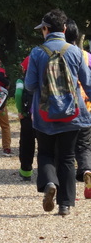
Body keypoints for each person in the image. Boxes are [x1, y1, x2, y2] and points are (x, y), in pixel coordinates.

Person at [25, 9, 91, 216]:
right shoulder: (75, 51)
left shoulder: (36, 53)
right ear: (64, 29)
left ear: (45, 29)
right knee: (67, 157)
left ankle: (50, 183)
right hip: (73, 114)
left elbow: (29, 85)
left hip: (44, 115)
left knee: (45, 153)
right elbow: (87, 83)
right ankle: (65, 204)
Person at [64, 18, 91, 199]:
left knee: (66, 148)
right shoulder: (87, 56)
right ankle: (87, 170)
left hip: (66, 106)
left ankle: (67, 190)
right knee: (85, 145)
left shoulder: (61, 54)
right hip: (87, 105)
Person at [15, 56, 36, 181]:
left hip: (27, 117)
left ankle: (26, 172)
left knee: (26, 145)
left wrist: (20, 111)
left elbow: (18, 94)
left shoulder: (21, 81)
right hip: (40, 117)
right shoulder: (42, 79)